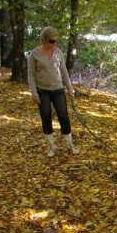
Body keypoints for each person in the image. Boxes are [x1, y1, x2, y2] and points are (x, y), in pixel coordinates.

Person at [28, 26, 80, 156]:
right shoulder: (35, 54)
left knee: (64, 117)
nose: (54, 43)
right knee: (46, 117)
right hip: (42, 90)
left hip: (57, 89)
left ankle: (70, 146)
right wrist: (34, 93)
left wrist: (70, 90)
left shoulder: (58, 52)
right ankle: (51, 147)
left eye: (56, 41)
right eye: (52, 41)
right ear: (44, 40)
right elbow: (30, 74)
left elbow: (64, 72)